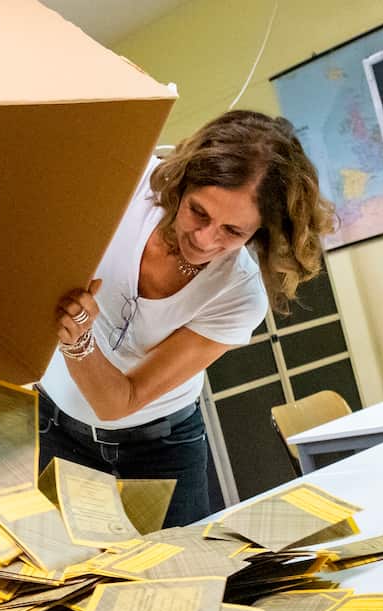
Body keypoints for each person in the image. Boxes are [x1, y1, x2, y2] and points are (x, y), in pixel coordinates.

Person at [38, 110, 335, 528]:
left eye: (233, 232)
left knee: (174, 582)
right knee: (63, 580)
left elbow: (117, 401)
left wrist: (78, 341)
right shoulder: (126, 188)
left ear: (260, 234)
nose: (204, 238)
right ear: (181, 184)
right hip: (54, 428)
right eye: (198, 212)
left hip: (162, 451)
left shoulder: (239, 294)